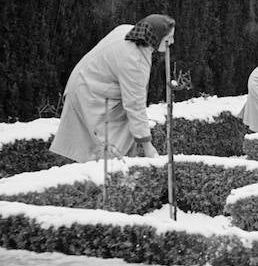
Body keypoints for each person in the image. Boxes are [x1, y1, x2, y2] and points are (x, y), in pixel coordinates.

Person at [50, 14, 174, 162]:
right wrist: (147, 145)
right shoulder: (134, 61)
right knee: (111, 146)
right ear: (155, 38)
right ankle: (108, 177)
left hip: (86, 81)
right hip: (91, 93)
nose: (172, 42)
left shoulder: (128, 30)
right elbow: (135, 104)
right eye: (167, 39)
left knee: (122, 134)